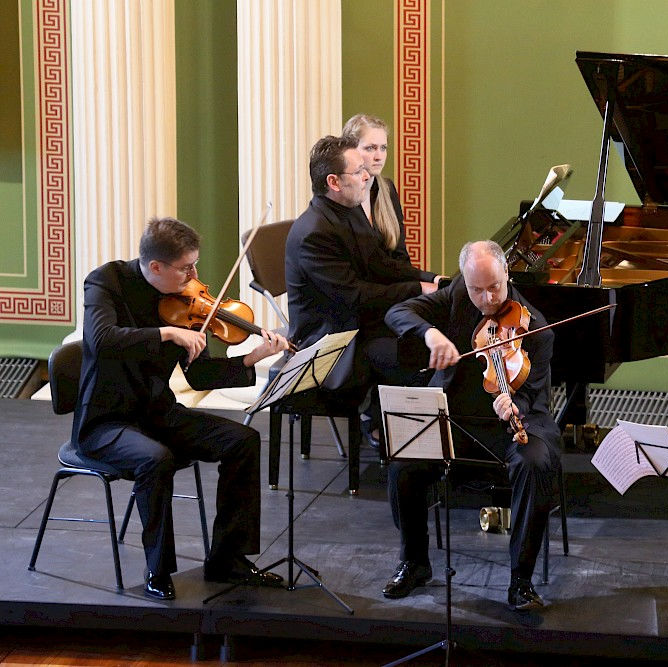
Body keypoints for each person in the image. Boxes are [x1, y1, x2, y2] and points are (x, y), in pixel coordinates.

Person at [73, 217, 289, 600]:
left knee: (243, 440)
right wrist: (167, 333)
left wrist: (253, 356)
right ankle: (158, 570)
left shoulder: (182, 303)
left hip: (158, 414)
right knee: (155, 460)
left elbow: (200, 373)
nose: (194, 275)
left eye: (195, 265)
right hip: (106, 421)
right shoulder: (106, 282)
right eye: (186, 267)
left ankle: (228, 559)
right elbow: (101, 339)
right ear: (156, 266)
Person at [382, 240, 562, 611]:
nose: (487, 298)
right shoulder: (454, 297)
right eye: (477, 289)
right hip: (456, 419)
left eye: (494, 286)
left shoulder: (537, 329)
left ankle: (521, 581)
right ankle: (414, 561)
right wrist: (430, 333)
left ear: (507, 274)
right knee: (403, 462)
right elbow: (397, 312)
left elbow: (535, 393)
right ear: (465, 281)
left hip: (514, 425)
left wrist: (514, 401)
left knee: (535, 463)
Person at [285, 135, 441, 442]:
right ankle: (408, 443)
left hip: (358, 325)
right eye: (358, 172)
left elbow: (381, 265)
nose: (367, 175)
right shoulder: (314, 233)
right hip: (332, 342)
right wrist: (416, 289)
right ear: (334, 181)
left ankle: (408, 436)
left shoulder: (348, 209)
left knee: (423, 335)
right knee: (416, 353)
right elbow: (355, 297)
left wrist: (433, 280)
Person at [341, 113, 420, 270]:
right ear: (350, 151)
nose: (379, 156)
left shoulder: (387, 189)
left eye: (383, 148)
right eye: (370, 148)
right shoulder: (341, 194)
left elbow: (400, 256)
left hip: (393, 284)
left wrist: (423, 284)